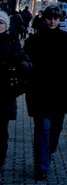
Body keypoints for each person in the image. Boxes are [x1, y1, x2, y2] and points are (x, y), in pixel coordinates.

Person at [24, 5, 67, 181]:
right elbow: (26, 65)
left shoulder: (66, 40)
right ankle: (42, 165)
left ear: (60, 20)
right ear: (44, 18)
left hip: (60, 93)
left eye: (56, 18)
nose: (53, 21)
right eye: (50, 18)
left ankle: (46, 155)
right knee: (42, 128)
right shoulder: (33, 40)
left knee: (54, 131)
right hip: (39, 92)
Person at [0, 10, 30, 170]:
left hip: (5, 95)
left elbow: (23, 62)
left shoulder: (12, 42)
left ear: (6, 25)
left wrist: (24, 67)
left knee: (1, 133)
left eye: (1, 23)